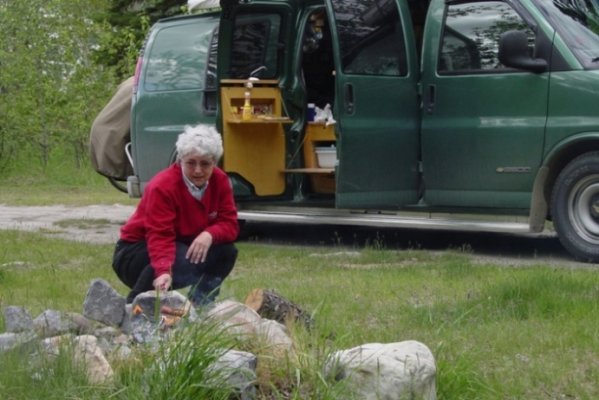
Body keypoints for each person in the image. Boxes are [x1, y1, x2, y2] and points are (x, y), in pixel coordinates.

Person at [112, 124, 239, 306]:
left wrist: (209, 234)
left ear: (214, 163)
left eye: (205, 164)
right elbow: (159, 235)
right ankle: (134, 306)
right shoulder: (162, 186)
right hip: (134, 252)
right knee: (181, 257)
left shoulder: (220, 181)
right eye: (191, 163)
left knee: (226, 252)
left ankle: (198, 306)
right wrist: (163, 270)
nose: (197, 170)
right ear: (180, 160)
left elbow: (230, 224)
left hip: (179, 245)